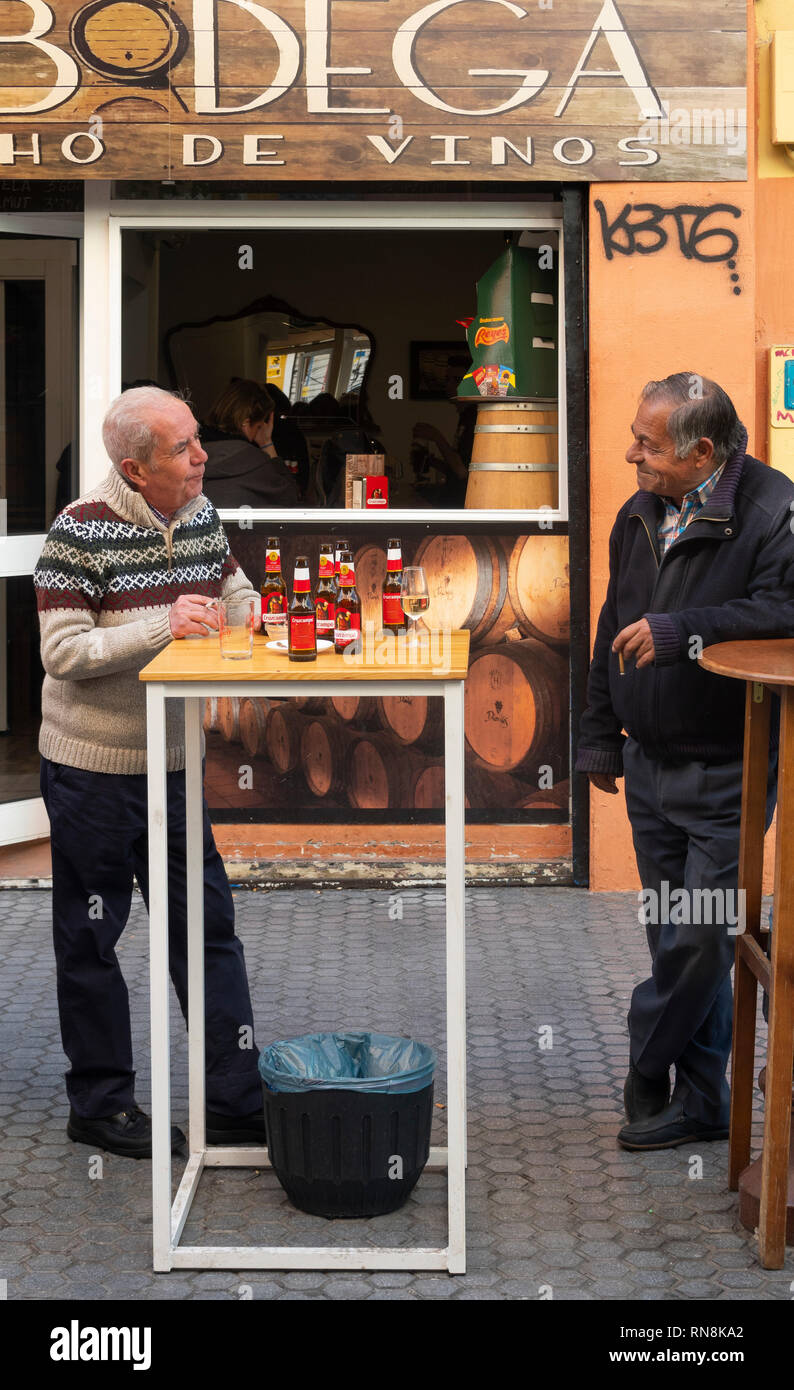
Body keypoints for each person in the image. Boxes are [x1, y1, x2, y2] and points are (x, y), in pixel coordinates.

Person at [34, 386, 266, 1159]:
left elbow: (230, 589)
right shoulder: (78, 532)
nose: (202, 456)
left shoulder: (198, 513)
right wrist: (158, 627)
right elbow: (63, 653)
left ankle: (235, 1100)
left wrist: (250, 610)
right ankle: (100, 1106)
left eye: (198, 439)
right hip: (92, 771)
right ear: (135, 469)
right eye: (183, 449)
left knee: (207, 930)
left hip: (174, 764)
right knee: (93, 938)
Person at [576, 372, 794, 1151]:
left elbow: (783, 611)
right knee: (674, 933)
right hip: (649, 766)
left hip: (727, 767)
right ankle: (702, 1098)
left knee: (703, 934)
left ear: (703, 450)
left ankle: (647, 1058)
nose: (632, 452)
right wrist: (600, 733)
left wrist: (680, 630)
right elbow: (611, 624)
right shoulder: (640, 512)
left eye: (647, 442)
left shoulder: (773, 510)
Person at [201, 378, 298, 509]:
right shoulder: (254, 461)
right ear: (246, 423)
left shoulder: (189, 446)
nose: (257, 433)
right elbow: (289, 496)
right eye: (258, 426)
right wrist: (267, 443)